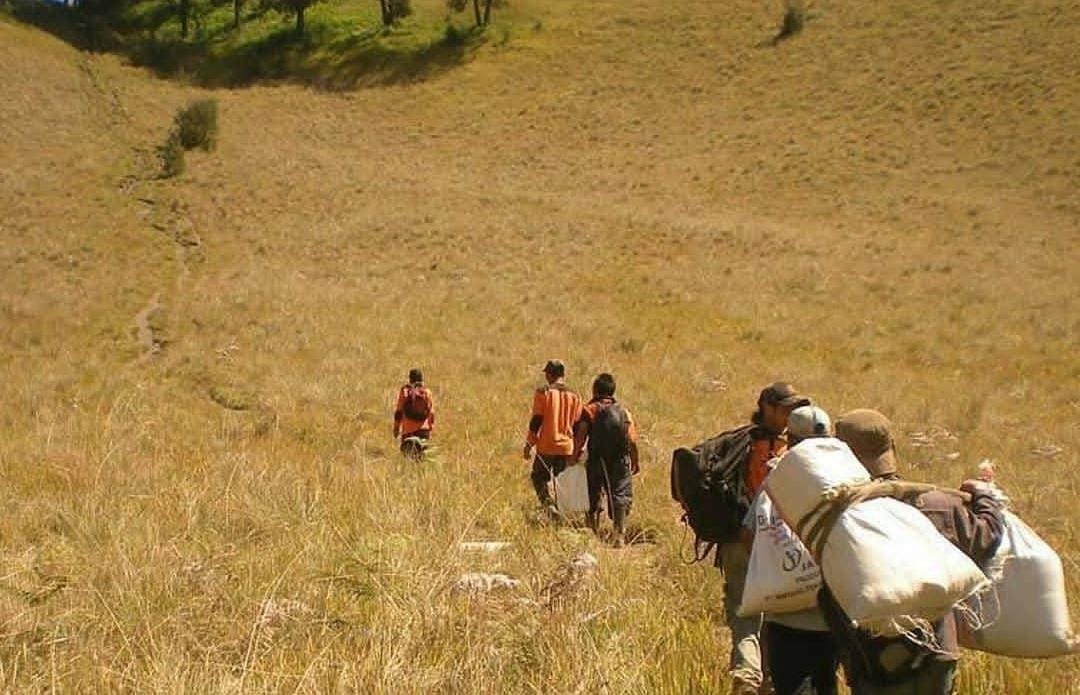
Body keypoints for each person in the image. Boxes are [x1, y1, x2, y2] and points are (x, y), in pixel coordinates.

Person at [826, 408, 1006, 695]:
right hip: (937, 653)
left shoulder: (838, 519)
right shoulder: (938, 503)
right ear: (892, 448)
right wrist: (984, 495)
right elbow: (988, 536)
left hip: (872, 661)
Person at [720, 382, 811, 695]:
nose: (790, 413)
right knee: (759, 615)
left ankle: (753, 679)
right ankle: (751, 679)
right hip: (757, 541)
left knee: (751, 614)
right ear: (767, 408)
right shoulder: (765, 450)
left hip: (742, 541)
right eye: (785, 407)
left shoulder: (747, 444)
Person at [747, 405, 840, 695]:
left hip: (787, 614)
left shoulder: (778, 479)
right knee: (827, 684)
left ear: (793, 441)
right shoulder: (848, 479)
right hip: (834, 613)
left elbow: (752, 532)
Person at [572, 373, 641, 545]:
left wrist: (573, 456)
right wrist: (635, 460)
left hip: (597, 459)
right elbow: (632, 440)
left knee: (593, 494)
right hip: (620, 459)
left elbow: (580, 436)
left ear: (595, 390)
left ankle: (592, 532)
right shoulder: (624, 412)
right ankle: (619, 534)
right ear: (612, 391)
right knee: (620, 494)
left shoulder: (589, 410)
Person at [523, 360, 583, 518]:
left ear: (549, 375)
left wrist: (529, 444)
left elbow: (537, 420)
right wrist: (578, 449)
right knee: (561, 482)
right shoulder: (575, 395)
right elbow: (578, 425)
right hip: (567, 447)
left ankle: (549, 505)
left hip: (547, 445)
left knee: (538, 477)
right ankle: (564, 515)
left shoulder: (543, 392)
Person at [393, 369, 434, 459]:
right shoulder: (427, 392)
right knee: (423, 459)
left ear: (410, 379)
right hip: (424, 431)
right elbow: (431, 413)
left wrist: (396, 428)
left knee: (409, 459)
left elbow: (399, 412)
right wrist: (430, 428)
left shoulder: (405, 391)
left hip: (408, 431)